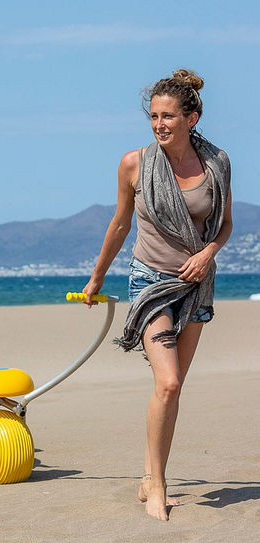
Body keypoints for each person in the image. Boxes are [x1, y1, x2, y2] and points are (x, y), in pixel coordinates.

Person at [83, 69, 232, 521]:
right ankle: (158, 487)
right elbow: (120, 224)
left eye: (168, 116)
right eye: (153, 116)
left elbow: (223, 225)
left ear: (192, 117)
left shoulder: (217, 163)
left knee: (172, 388)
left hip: (195, 285)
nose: (159, 124)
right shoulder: (135, 164)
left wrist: (207, 254)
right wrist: (96, 278)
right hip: (149, 283)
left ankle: (150, 472)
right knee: (167, 382)